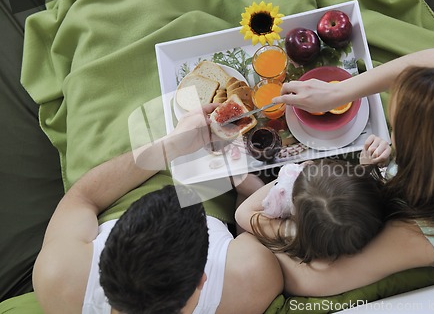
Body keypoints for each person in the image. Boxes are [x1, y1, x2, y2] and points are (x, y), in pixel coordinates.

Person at [237, 47, 434, 297]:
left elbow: (315, 279)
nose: (392, 136)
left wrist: (279, 215)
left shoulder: (427, 234)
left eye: (395, 129)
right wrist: (339, 93)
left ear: (420, 164)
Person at [32, 104, 283, 314]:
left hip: (121, 172)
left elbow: (83, 196)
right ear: (201, 280)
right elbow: (248, 219)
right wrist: (245, 188)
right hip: (218, 181)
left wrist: (171, 145)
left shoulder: (57, 277)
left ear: (106, 261)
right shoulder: (252, 280)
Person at [235, 158, 387, 264]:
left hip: (255, 248)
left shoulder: (293, 233)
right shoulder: (360, 220)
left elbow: (242, 213)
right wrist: (365, 165)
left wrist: (288, 178)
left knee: (242, 184)